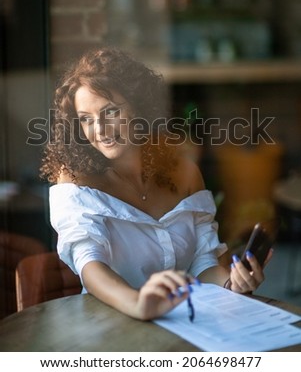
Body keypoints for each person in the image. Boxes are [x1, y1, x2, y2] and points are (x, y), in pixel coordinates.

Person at [40, 47, 271, 321]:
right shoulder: (77, 182)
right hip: (111, 327)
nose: (99, 129)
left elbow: (203, 262)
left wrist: (232, 285)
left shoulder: (184, 173)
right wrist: (140, 304)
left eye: (110, 111)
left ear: (139, 107)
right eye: (86, 119)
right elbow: (90, 265)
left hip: (188, 322)